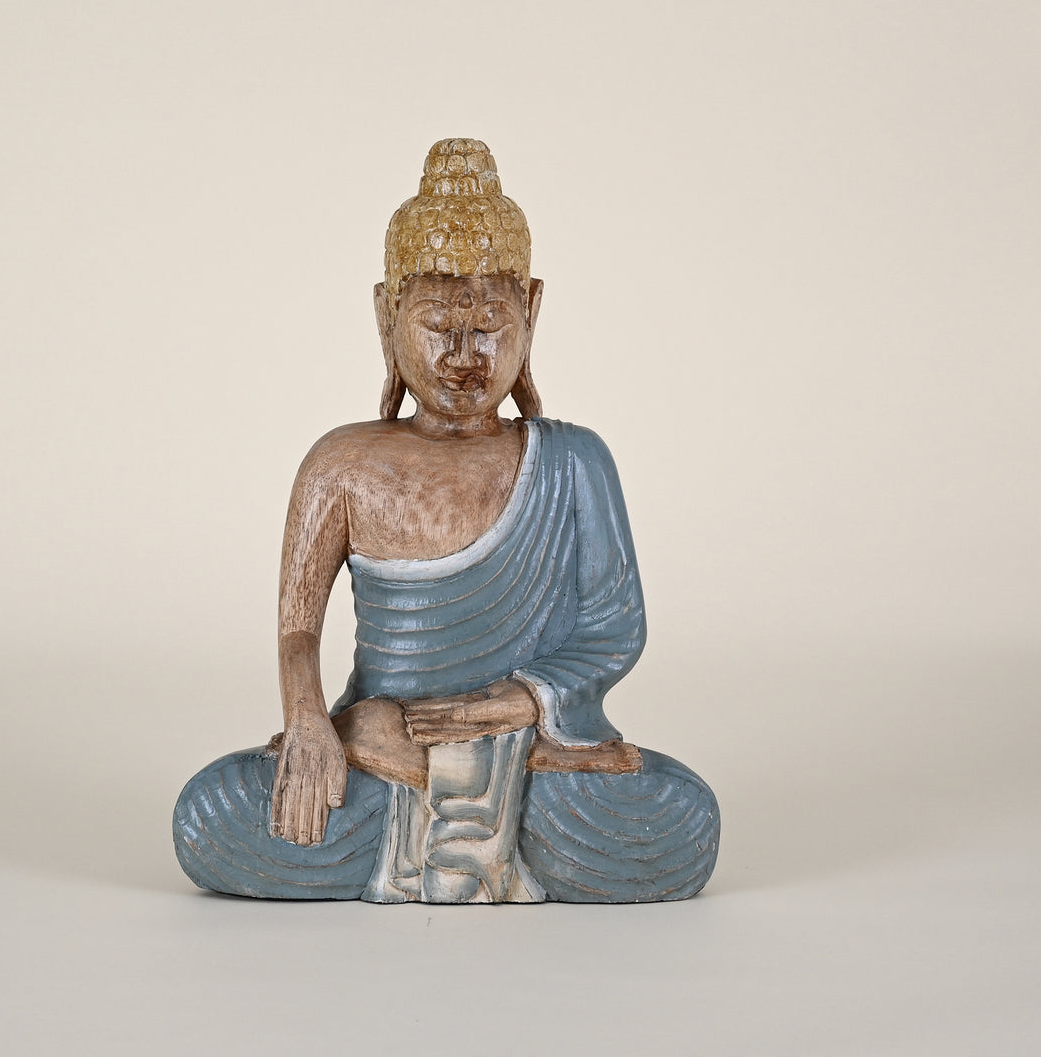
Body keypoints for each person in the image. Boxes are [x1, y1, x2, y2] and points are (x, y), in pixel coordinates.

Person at [173, 139, 719, 903]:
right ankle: (465, 824)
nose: (465, 354)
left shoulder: (574, 462)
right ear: (385, 315)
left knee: (684, 819)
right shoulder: (341, 464)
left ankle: (439, 805)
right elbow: (297, 631)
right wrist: (309, 722)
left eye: (492, 321)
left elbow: (615, 630)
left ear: (532, 312)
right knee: (208, 814)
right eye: (437, 322)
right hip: (380, 749)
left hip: (523, 753)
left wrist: (513, 707)